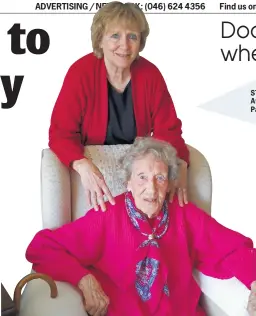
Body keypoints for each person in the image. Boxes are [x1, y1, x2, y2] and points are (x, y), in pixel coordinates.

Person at [26, 137, 256, 316]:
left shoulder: (185, 214)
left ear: (169, 184)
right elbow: (43, 247)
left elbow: (232, 248)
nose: (151, 189)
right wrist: (83, 279)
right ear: (128, 181)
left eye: (160, 178)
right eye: (142, 177)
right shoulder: (107, 217)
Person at [48, 1, 189, 212]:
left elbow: (168, 130)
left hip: (137, 168)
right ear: (100, 39)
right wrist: (82, 165)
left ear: (140, 42)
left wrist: (181, 165)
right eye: (115, 36)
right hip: (93, 162)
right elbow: (60, 133)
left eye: (132, 36)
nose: (124, 45)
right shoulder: (80, 73)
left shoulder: (150, 75)